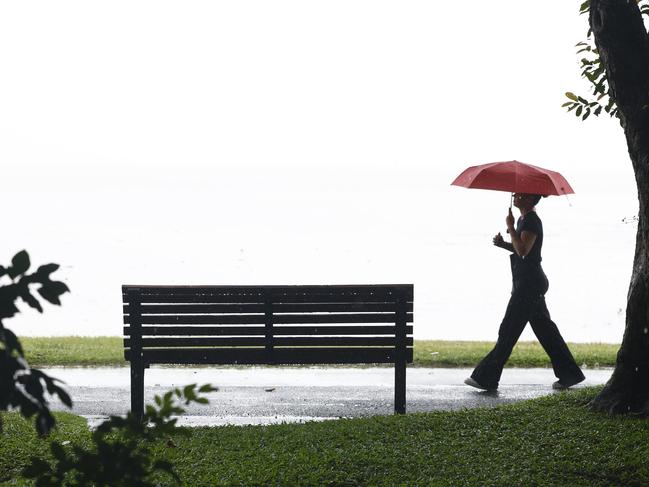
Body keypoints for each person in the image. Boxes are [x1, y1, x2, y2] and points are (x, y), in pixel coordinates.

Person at [464, 192, 585, 391]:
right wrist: (504, 243)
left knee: (508, 330)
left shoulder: (531, 221)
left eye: (519, 194)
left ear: (528, 199)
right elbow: (522, 249)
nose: (515, 195)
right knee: (546, 332)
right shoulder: (524, 219)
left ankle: (486, 377)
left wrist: (510, 227)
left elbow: (523, 250)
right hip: (528, 283)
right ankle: (570, 374)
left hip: (529, 285)